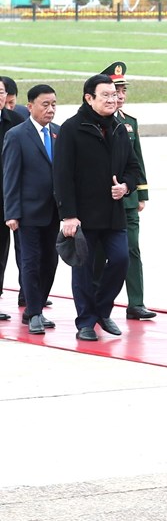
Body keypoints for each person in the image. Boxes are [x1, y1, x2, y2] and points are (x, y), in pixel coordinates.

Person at [54, 73, 141, 341]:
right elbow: (62, 175)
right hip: (82, 216)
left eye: (114, 95)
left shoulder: (119, 128)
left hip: (113, 214)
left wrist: (125, 186)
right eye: (105, 95)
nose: (112, 100)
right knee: (84, 268)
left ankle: (102, 310)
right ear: (89, 98)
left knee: (120, 259)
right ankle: (85, 322)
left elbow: (133, 168)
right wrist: (68, 215)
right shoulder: (72, 128)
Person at [2, 84, 59, 333]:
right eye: (45, 104)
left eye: (54, 104)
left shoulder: (59, 133)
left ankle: (36, 307)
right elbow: (10, 176)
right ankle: (33, 312)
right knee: (30, 262)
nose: (50, 109)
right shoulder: (16, 135)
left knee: (50, 262)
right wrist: (11, 212)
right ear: (31, 106)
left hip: (54, 212)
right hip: (27, 213)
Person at [101, 62, 156, 320]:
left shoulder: (130, 123)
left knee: (132, 248)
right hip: (102, 201)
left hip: (129, 199)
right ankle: (100, 304)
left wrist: (141, 194)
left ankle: (136, 302)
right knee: (101, 253)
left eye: (123, 89)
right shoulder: (96, 122)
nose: (120, 95)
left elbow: (138, 160)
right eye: (115, 89)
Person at [0, 76, 25, 311]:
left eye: (1, 92)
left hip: (14, 195)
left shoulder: (17, 120)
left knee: (25, 248)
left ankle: (28, 294)